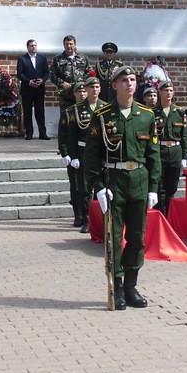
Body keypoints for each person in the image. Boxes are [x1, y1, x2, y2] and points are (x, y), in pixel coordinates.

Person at [85, 66, 161, 311]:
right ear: (114, 85)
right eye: (123, 80)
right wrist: (97, 186)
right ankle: (116, 286)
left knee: (137, 237)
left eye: (132, 79)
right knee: (114, 237)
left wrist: (153, 188)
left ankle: (131, 285)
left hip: (139, 179)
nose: (129, 84)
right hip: (114, 180)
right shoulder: (104, 115)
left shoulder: (147, 115)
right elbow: (92, 154)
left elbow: (153, 154)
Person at [66, 77, 108, 233]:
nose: (94, 90)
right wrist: (73, 155)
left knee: (101, 187)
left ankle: (100, 218)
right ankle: (86, 219)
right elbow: (71, 136)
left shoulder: (106, 107)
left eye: (97, 87)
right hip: (83, 151)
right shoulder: (77, 110)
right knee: (84, 188)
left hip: (101, 153)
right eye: (91, 87)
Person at [154, 80, 187, 217]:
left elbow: (184, 136)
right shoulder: (153, 112)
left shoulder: (180, 112)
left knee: (172, 187)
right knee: (159, 186)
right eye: (165, 90)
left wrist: (185, 156)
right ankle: (159, 214)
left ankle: (169, 215)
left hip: (175, 152)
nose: (168, 93)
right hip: (160, 151)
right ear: (160, 92)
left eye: (170, 90)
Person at [50, 35, 90, 138]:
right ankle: (64, 143)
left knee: (81, 117)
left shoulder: (83, 58)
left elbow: (90, 72)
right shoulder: (58, 59)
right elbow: (52, 75)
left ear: (75, 45)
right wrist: (62, 83)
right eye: (67, 44)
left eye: (71, 44)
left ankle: (80, 140)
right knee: (66, 119)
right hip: (66, 96)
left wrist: (83, 79)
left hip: (80, 94)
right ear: (63, 45)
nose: (69, 46)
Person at [61, 81, 88, 228]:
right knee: (76, 185)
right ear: (74, 94)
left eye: (84, 91)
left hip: (88, 151)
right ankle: (77, 214)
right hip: (75, 152)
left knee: (86, 186)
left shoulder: (94, 109)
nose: (82, 94)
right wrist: (65, 153)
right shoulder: (69, 111)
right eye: (79, 92)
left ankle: (87, 215)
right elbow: (63, 134)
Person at [16, 39, 50, 140]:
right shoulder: (22, 59)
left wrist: (42, 80)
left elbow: (46, 72)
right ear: (27, 47)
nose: (33, 47)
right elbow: (20, 74)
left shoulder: (42, 58)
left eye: (35, 45)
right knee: (27, 112)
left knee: (40, 112)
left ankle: (42, 133)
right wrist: (28, 81)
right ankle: (29, 133)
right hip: (27, 89)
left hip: (39, 89)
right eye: (31, 46)